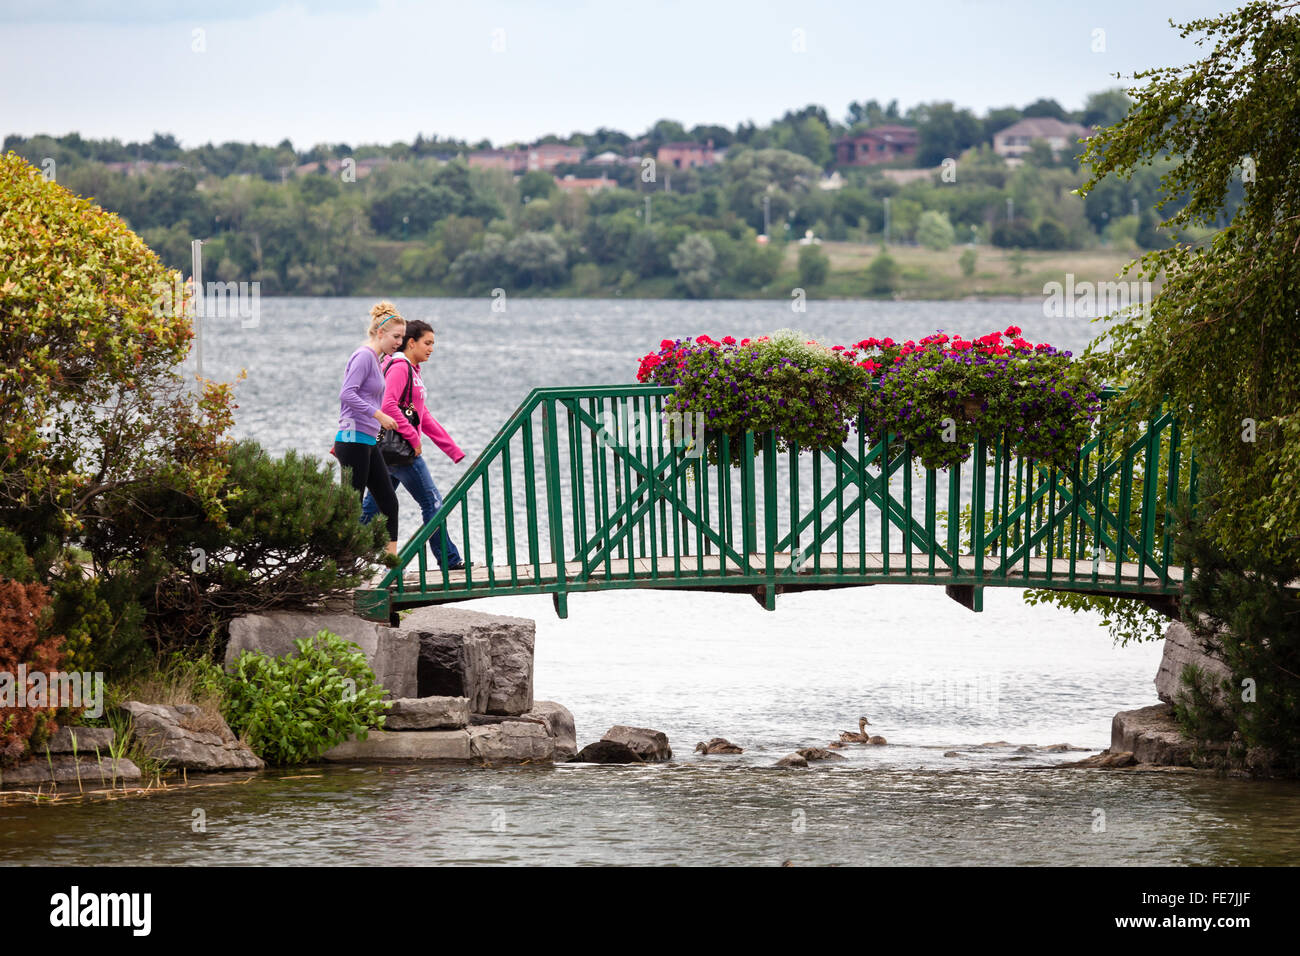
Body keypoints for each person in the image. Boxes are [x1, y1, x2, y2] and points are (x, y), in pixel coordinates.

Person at [362, 318, 468, 570]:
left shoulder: (411, 370)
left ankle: (339, 559)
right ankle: (449, 561)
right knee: (432, 502)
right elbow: (388, 405)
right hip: (401, 451)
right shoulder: (400, 366)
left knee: (369, 513)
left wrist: (452, 450)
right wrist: (412, 438)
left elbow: (424, 416)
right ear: (411, 343)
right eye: (427, 343)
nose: (431, 348)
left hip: (388, 452)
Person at [334, 301, 405, 556]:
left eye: (402, 338)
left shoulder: (377, 359)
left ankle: (390, 564)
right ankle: (342, 564)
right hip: (353, 439)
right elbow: (346, 394)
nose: (399, 343)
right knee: (351, 506)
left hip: (366, 440)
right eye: (396, 337)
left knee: (388, 501)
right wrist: (379, 415)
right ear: (380, 333)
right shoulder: (364, 355)